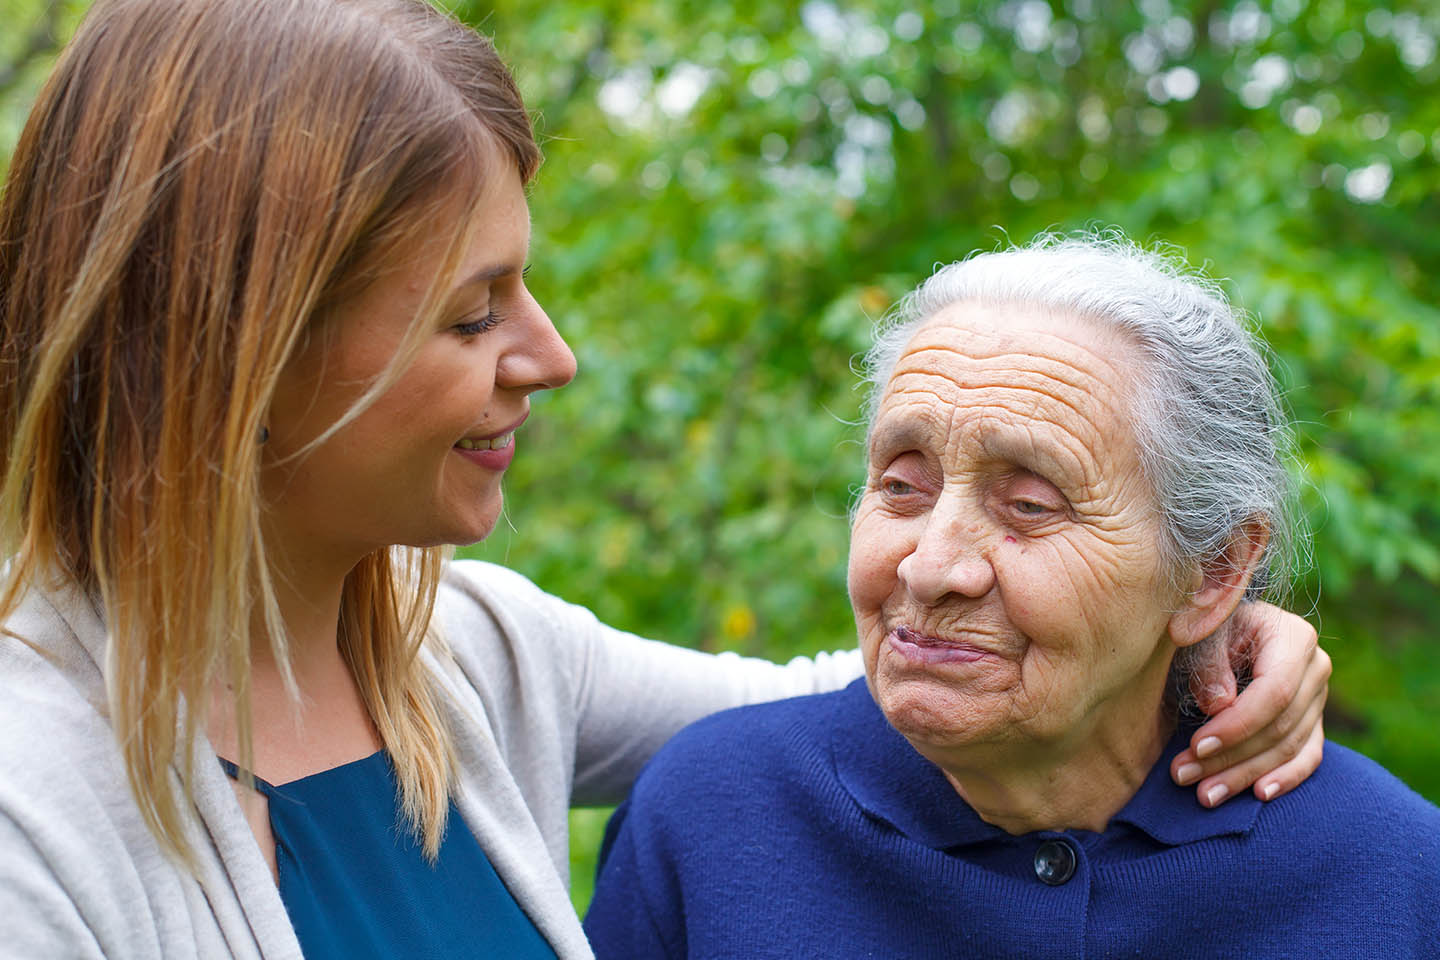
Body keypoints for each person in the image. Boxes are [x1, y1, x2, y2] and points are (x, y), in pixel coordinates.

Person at [0, 2, 1328, 957]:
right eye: (473, 316)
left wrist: (1203, 606)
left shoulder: (468, 653)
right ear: (242, 355)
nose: (552, 354)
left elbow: (896, 682)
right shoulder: (31, 809)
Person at [583, 235, 1440, 959]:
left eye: (1029, 505)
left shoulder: (1393, 877)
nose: (930, 566)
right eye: (902, 486)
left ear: (1212, 570)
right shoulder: (710, 816)